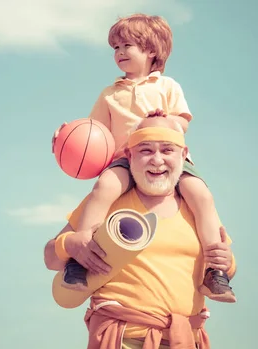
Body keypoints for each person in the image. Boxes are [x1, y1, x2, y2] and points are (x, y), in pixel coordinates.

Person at [51, 13, 235, 303]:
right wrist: (66, 136)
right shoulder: (110, 94)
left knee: (201, 195)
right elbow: (93, 134)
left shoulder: (167, 87)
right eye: (116, 48)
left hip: (168, 155)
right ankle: (79, 258)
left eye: (127, 45)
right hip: (126, 159)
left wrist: (163, 121)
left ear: (151, 50)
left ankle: (216, 270)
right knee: (104, 188)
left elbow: (183, 123)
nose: (120, 53)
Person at [44, 117, 238, 349]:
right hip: (123, 338)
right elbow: (50, 258)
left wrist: (227, 263)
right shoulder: (109, 200)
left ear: (183, 154)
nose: (157, 160)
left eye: (167, 150)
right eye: (146, 150)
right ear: (130, 155)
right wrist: (69, 244)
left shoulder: (197, 206)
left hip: (185, 340)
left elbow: (226, 265)